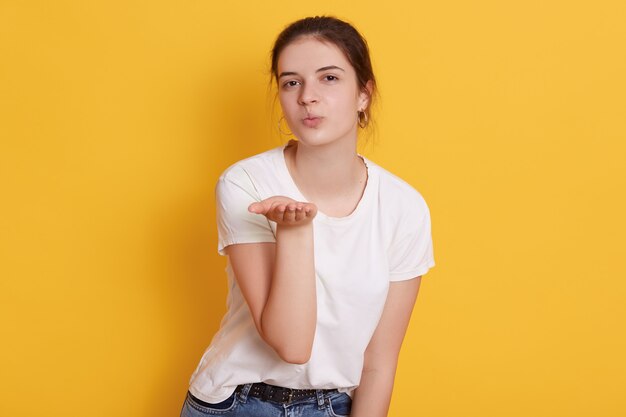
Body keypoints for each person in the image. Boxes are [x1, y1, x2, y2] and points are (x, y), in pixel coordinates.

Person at [181, 15, 435, 417]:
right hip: (235, 403)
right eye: (291, 82)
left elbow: (379, 364)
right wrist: (295, 232)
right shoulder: (246, 183)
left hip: (335, 406)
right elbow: (291, 344)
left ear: (363, 94)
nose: (307, 97)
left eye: (329, 78)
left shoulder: (403, 207)